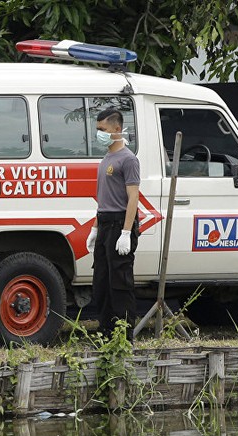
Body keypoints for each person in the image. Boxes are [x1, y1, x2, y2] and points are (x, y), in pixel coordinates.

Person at [85, 108, 140, 340]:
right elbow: (102, 197)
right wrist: (95, 228)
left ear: (117, 129)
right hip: (105, 221)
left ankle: (123, 335)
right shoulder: (106, 159)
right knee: (102, 281)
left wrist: (126, 232)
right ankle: (106, 331)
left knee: (120, 282)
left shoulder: (128, 159)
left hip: (120, 223)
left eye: (103, 130)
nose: (99, 134)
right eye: (98, 129)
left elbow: (133, 198)